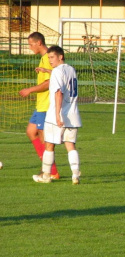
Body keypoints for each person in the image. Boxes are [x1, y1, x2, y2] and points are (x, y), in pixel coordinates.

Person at [32, 45, 82, 185]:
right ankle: (75, 175)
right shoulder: (71, 69)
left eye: (52, 57)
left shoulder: (56, 73)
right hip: (73, 115)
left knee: (49, 145)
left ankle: (46, 175)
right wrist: (46, 70)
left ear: (60, 57)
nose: (50, 60)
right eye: (48, 58)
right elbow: (59, 74)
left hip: (57, 116)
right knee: (70, 145)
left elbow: (58, 92)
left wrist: (58, 115)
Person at [18, 32, 60, 179]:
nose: (30, 47)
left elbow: (50, 82)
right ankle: (48, 168)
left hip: (47, 105)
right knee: (31, 131)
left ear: (39, 43)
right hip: (40, 104)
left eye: (31, 44)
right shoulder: (43, 59)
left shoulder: (49, 58)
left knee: (44, 138)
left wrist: (30, 89)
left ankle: (51, 171)